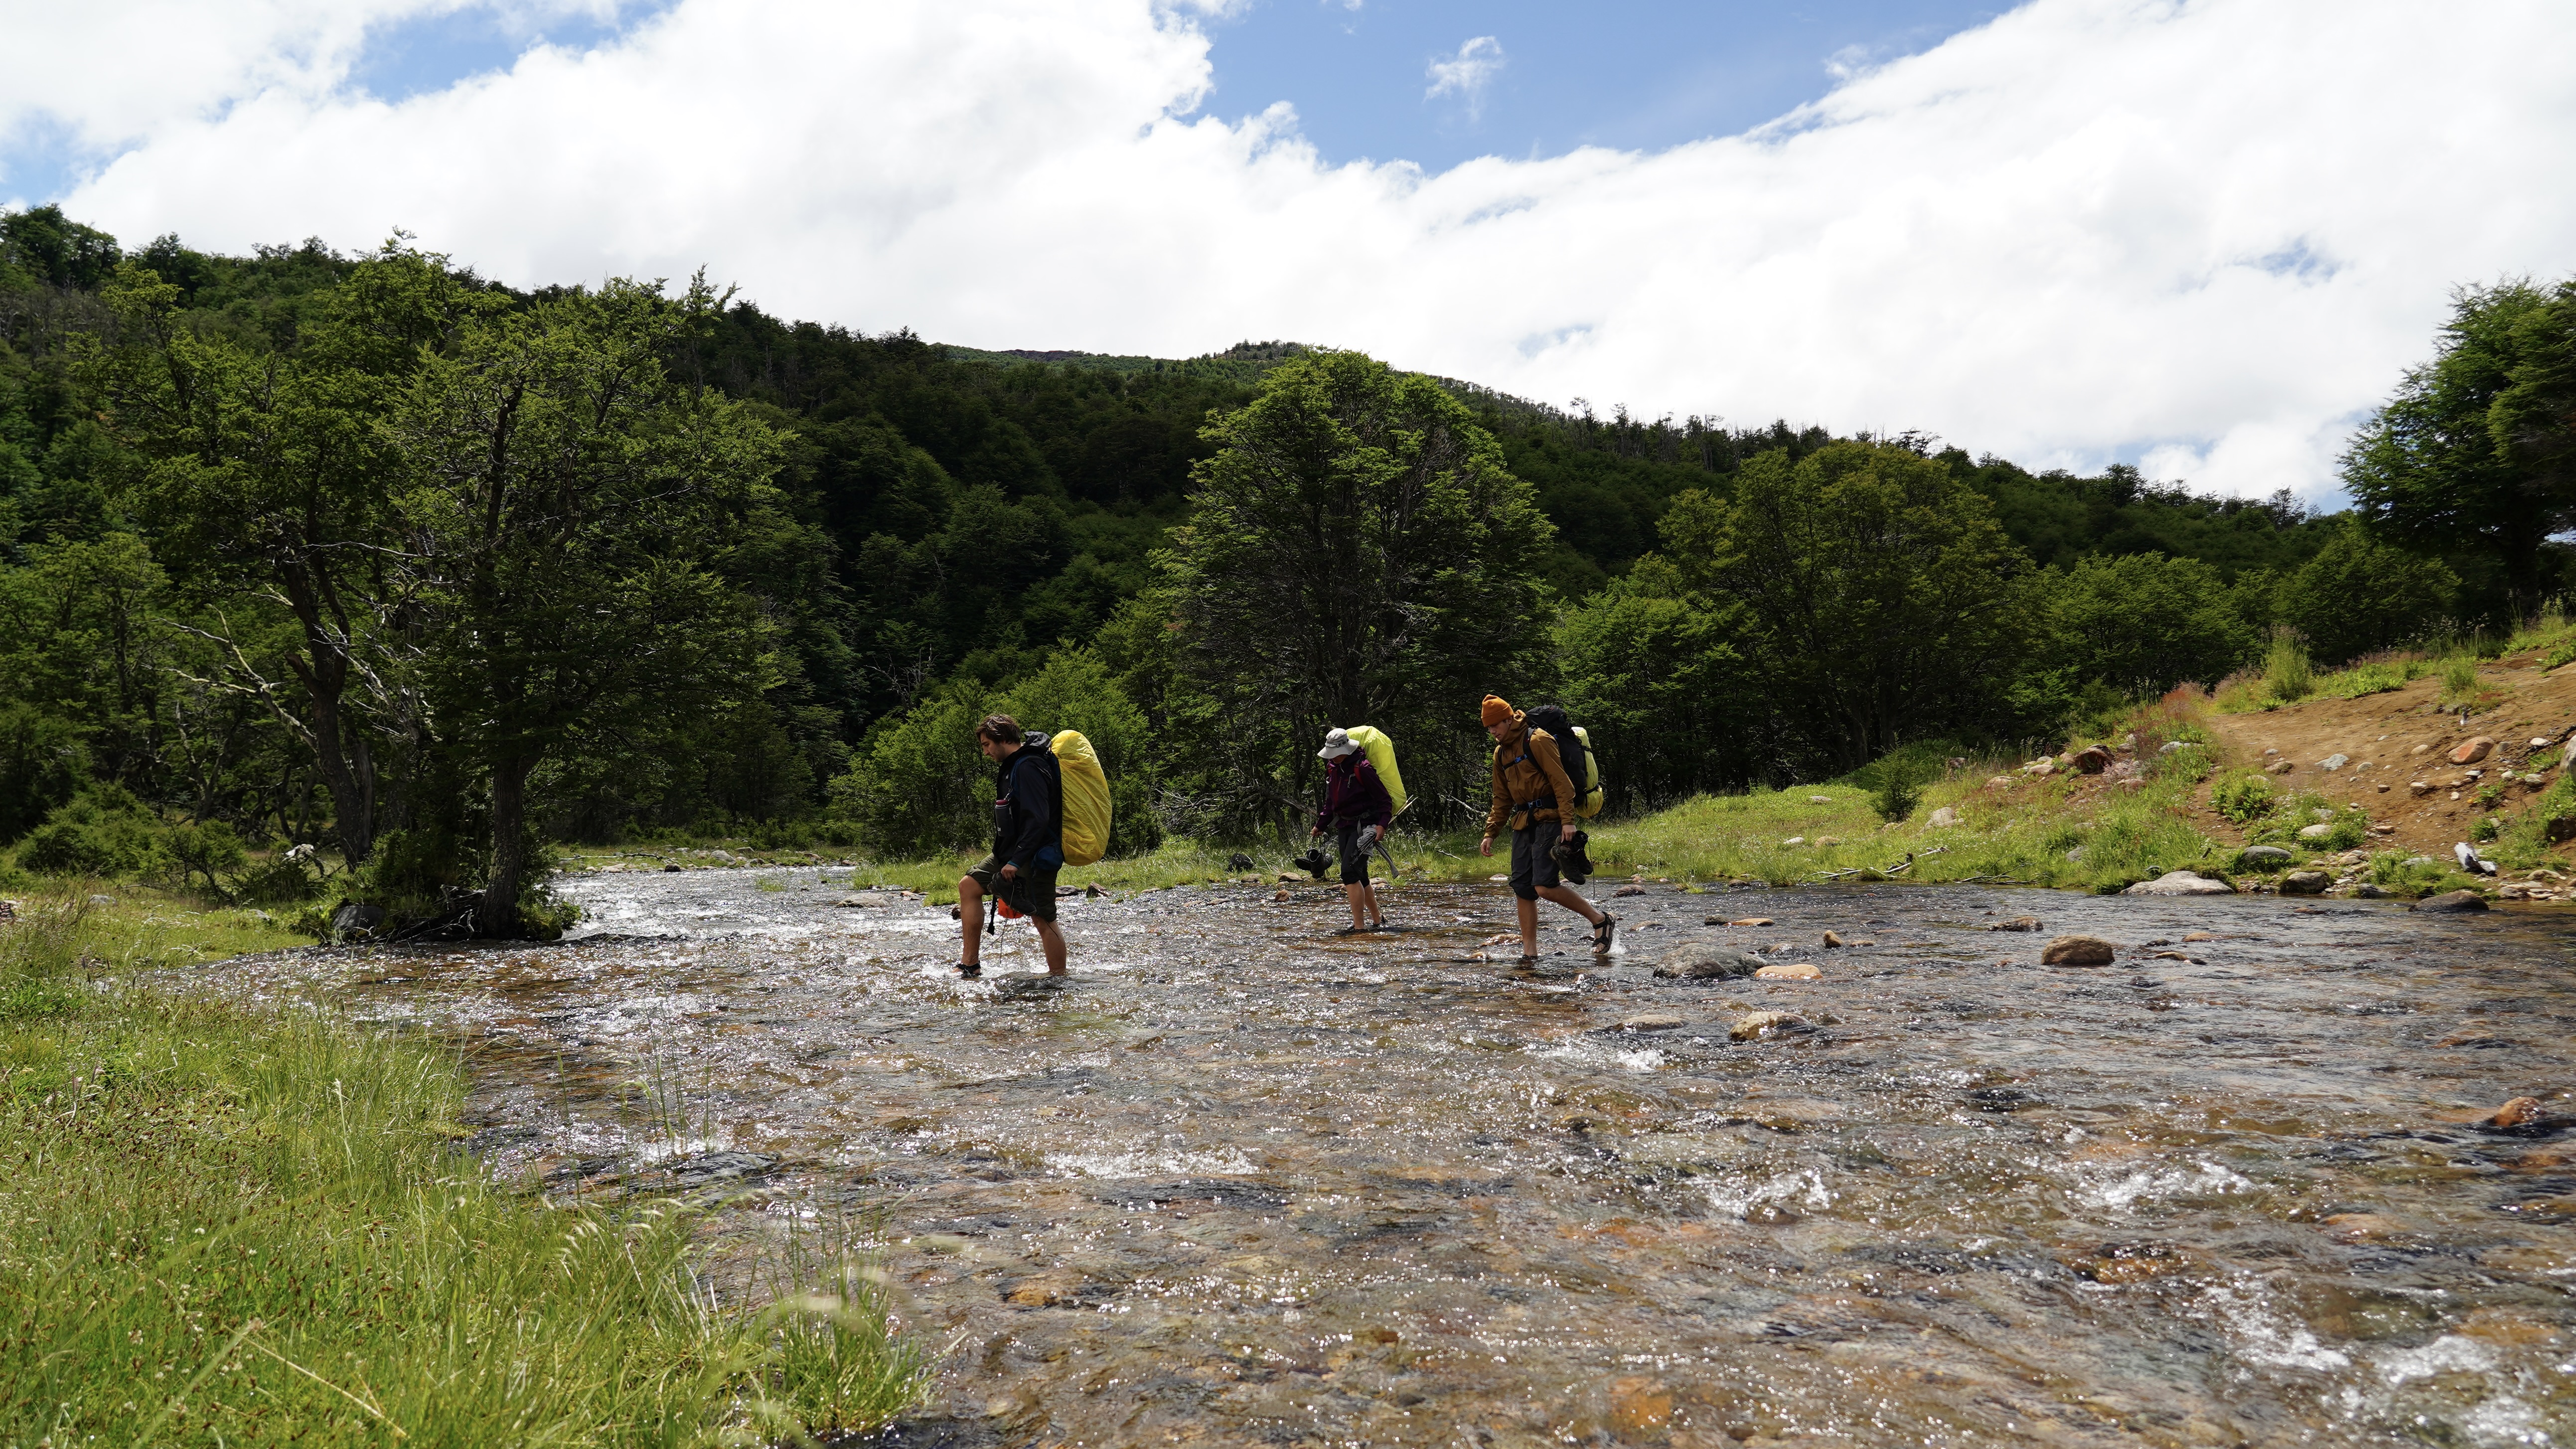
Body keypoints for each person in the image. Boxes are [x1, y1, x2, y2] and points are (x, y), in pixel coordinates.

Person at [1477, 694, 1613, 962]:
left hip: (1551, 818)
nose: (1492, 732)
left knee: (1544, 886)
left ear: (1508, 719)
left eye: (1495, 726)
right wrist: (1490, 832)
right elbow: (1501, 798)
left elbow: (1561, 783)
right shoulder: (1500, 752)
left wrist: (1568, 821)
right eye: (1488, 728)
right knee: (1522, 887)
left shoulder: (1538, 739)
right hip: (1523, 822)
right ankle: (1530, 955)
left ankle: (1600, 920)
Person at [956, 713, 1067, 978]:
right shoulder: (1014, 765)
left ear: (1002, 739)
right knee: (969, 886)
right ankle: (970, 964)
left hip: (1036, 854)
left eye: (986, 745)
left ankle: (1059, 979)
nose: (985, 752)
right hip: (1009, 852)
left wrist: (1016, 861)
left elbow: (1038, 819)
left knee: (1043, 918)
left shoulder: (1029, 766)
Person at [1310, 727, 1392, 934]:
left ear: (1345, 750)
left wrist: (1382, 825)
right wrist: (1321, 824)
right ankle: (1377, 919)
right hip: (1344, 826)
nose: (1332, 758)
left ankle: (1359, 928)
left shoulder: (1362, 768)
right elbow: (1331, 802)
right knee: (1360, 874)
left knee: (1348, 872)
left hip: (1366, 827)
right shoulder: (1333, 769)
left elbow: (1385, 800)